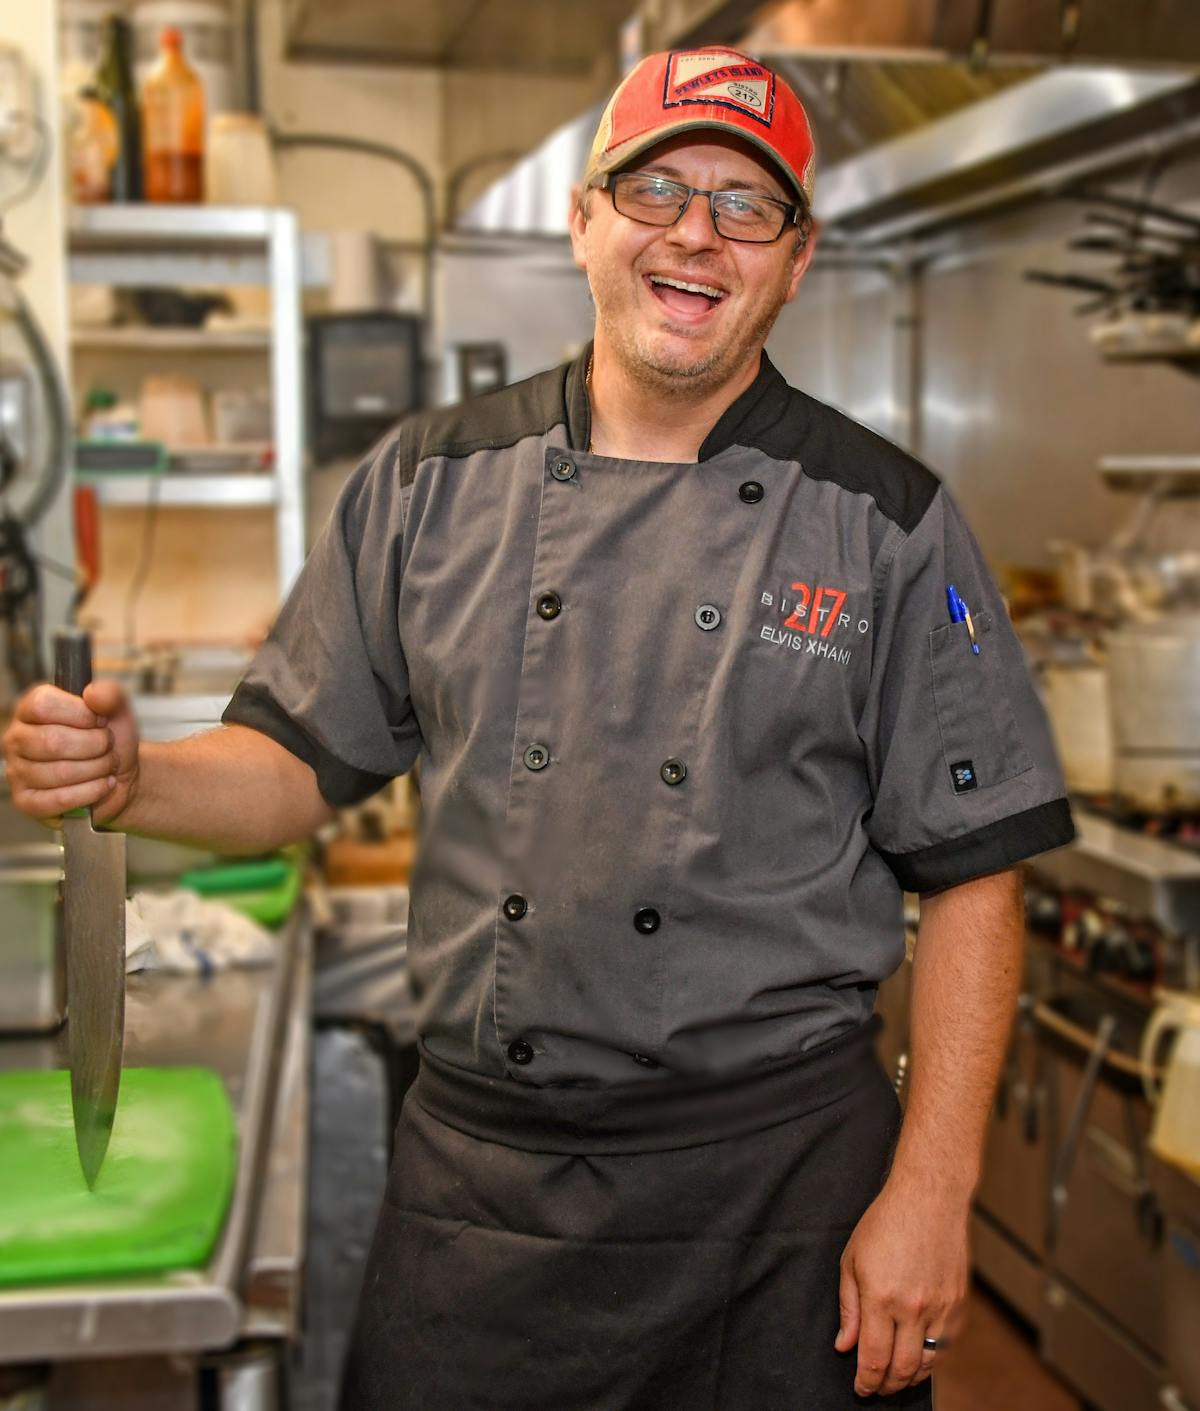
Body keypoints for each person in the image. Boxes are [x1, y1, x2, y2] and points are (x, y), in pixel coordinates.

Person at [5, 46, 1074, 1410]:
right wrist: (134, 774)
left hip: (782, 1195)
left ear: (795, 264)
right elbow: (290, 765)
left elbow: (977, 869)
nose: (697, 233)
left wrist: (935, 1188)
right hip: (481, 1198)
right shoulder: (428, 484)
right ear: (584, 222)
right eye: (658, 189)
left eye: (747, 207)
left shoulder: (886, 521)